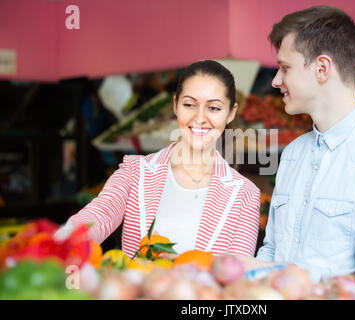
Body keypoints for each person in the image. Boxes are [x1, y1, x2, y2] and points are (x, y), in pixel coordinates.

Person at [236, 6, 355, 283]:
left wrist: (290, 277)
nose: (276, 81)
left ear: (322, 68)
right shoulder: (293, 154)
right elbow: (272, 250)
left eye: (285, 67)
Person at [55, 60, 261, 258]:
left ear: (231, 113)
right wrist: (63, 239)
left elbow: (238, 272)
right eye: (189, 104)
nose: (199, 117)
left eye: (214, 108)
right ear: (175, 105)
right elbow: (98, 216)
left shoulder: (245, 195)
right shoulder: (135, 172)